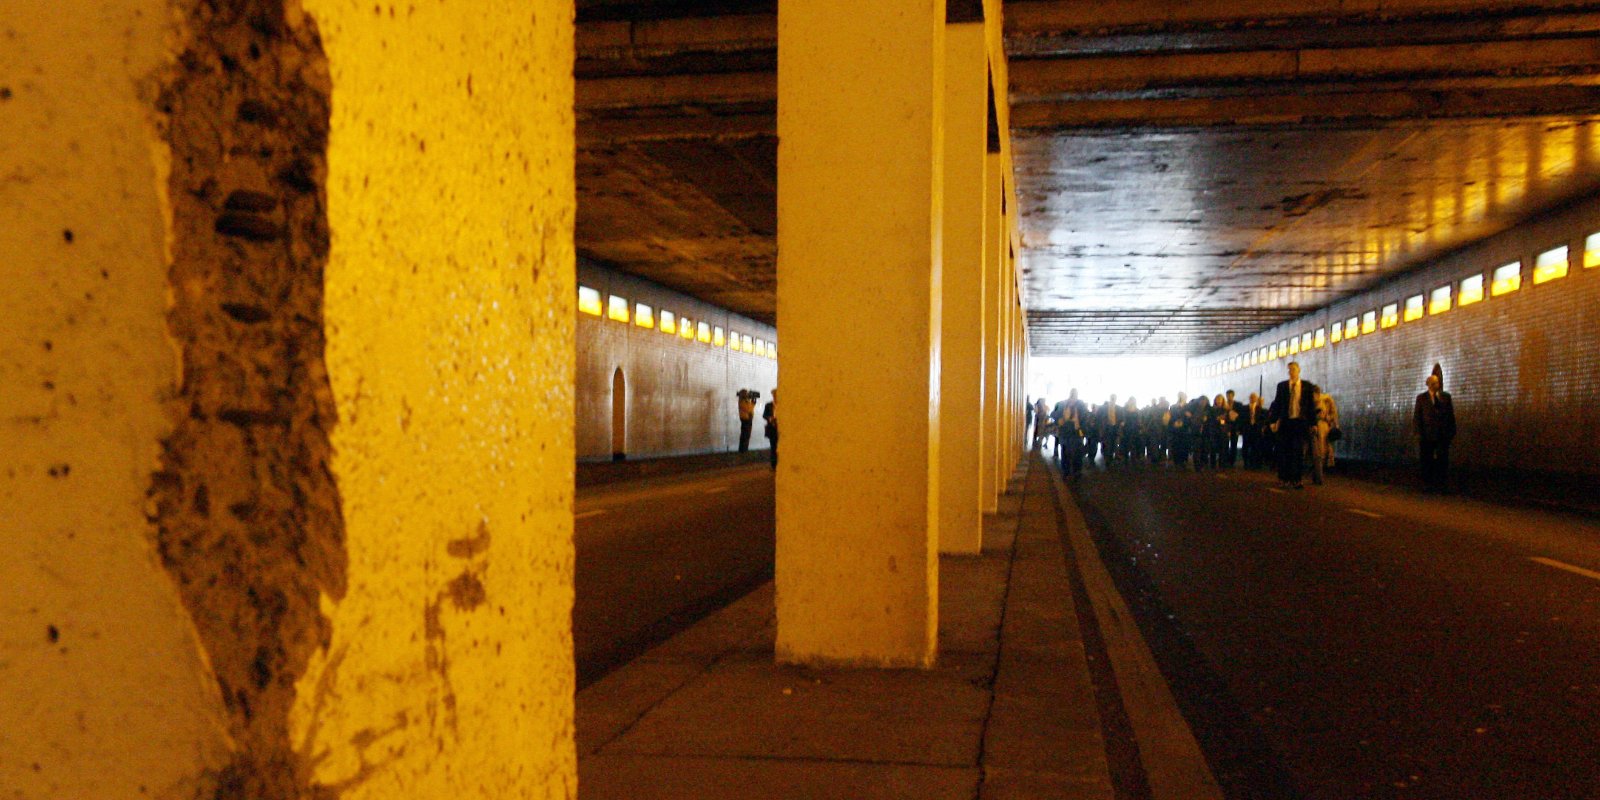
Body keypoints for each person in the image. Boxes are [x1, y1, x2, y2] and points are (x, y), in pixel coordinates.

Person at [1269, 361, 1319, 489]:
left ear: (1299, 370)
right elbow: (1277, 404)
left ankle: (1297, 479)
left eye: (1293, 369)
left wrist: (1313, 423)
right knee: (1284, 451)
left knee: (1297, 452)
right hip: (1286, 422)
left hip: (1299, 422)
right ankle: (1283, 478)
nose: (1291, 372)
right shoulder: (1282, 386)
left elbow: (1310, 406)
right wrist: (1273, 421)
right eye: (1289, 370)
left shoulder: (1307, 386)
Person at [1413, 374, 1455, 492]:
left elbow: (1450, 415)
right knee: (1427, 460)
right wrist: (1418, 433)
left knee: (1443, 460)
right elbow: (1417, 416)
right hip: (1427, 435)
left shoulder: (1446, 397)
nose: (1438, 384)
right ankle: (1428, 483)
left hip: (1442, 435)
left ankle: (1441, 484)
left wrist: (1451, 432)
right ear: (1430, 385)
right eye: (1435, 383)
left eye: (1438, 382)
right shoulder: (1421, 398)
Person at [1310, 391, 1340, 485]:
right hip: (1321, 427)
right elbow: (1333, 414)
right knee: (1320, 452)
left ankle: (1318, 475)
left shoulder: (1326, 400)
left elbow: (1333, 414)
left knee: (1319, 452)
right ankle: (1318, 475)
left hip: (1321, 427)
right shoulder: (1326, 400)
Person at [762, 389, 778, 469]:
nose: (775, 396)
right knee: (773, 447)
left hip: (779, 428)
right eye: (774, 394)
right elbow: (764, 415)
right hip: (772, 428)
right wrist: (770, 418)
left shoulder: (783, 405)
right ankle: (774, 465)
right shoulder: (768, 405)